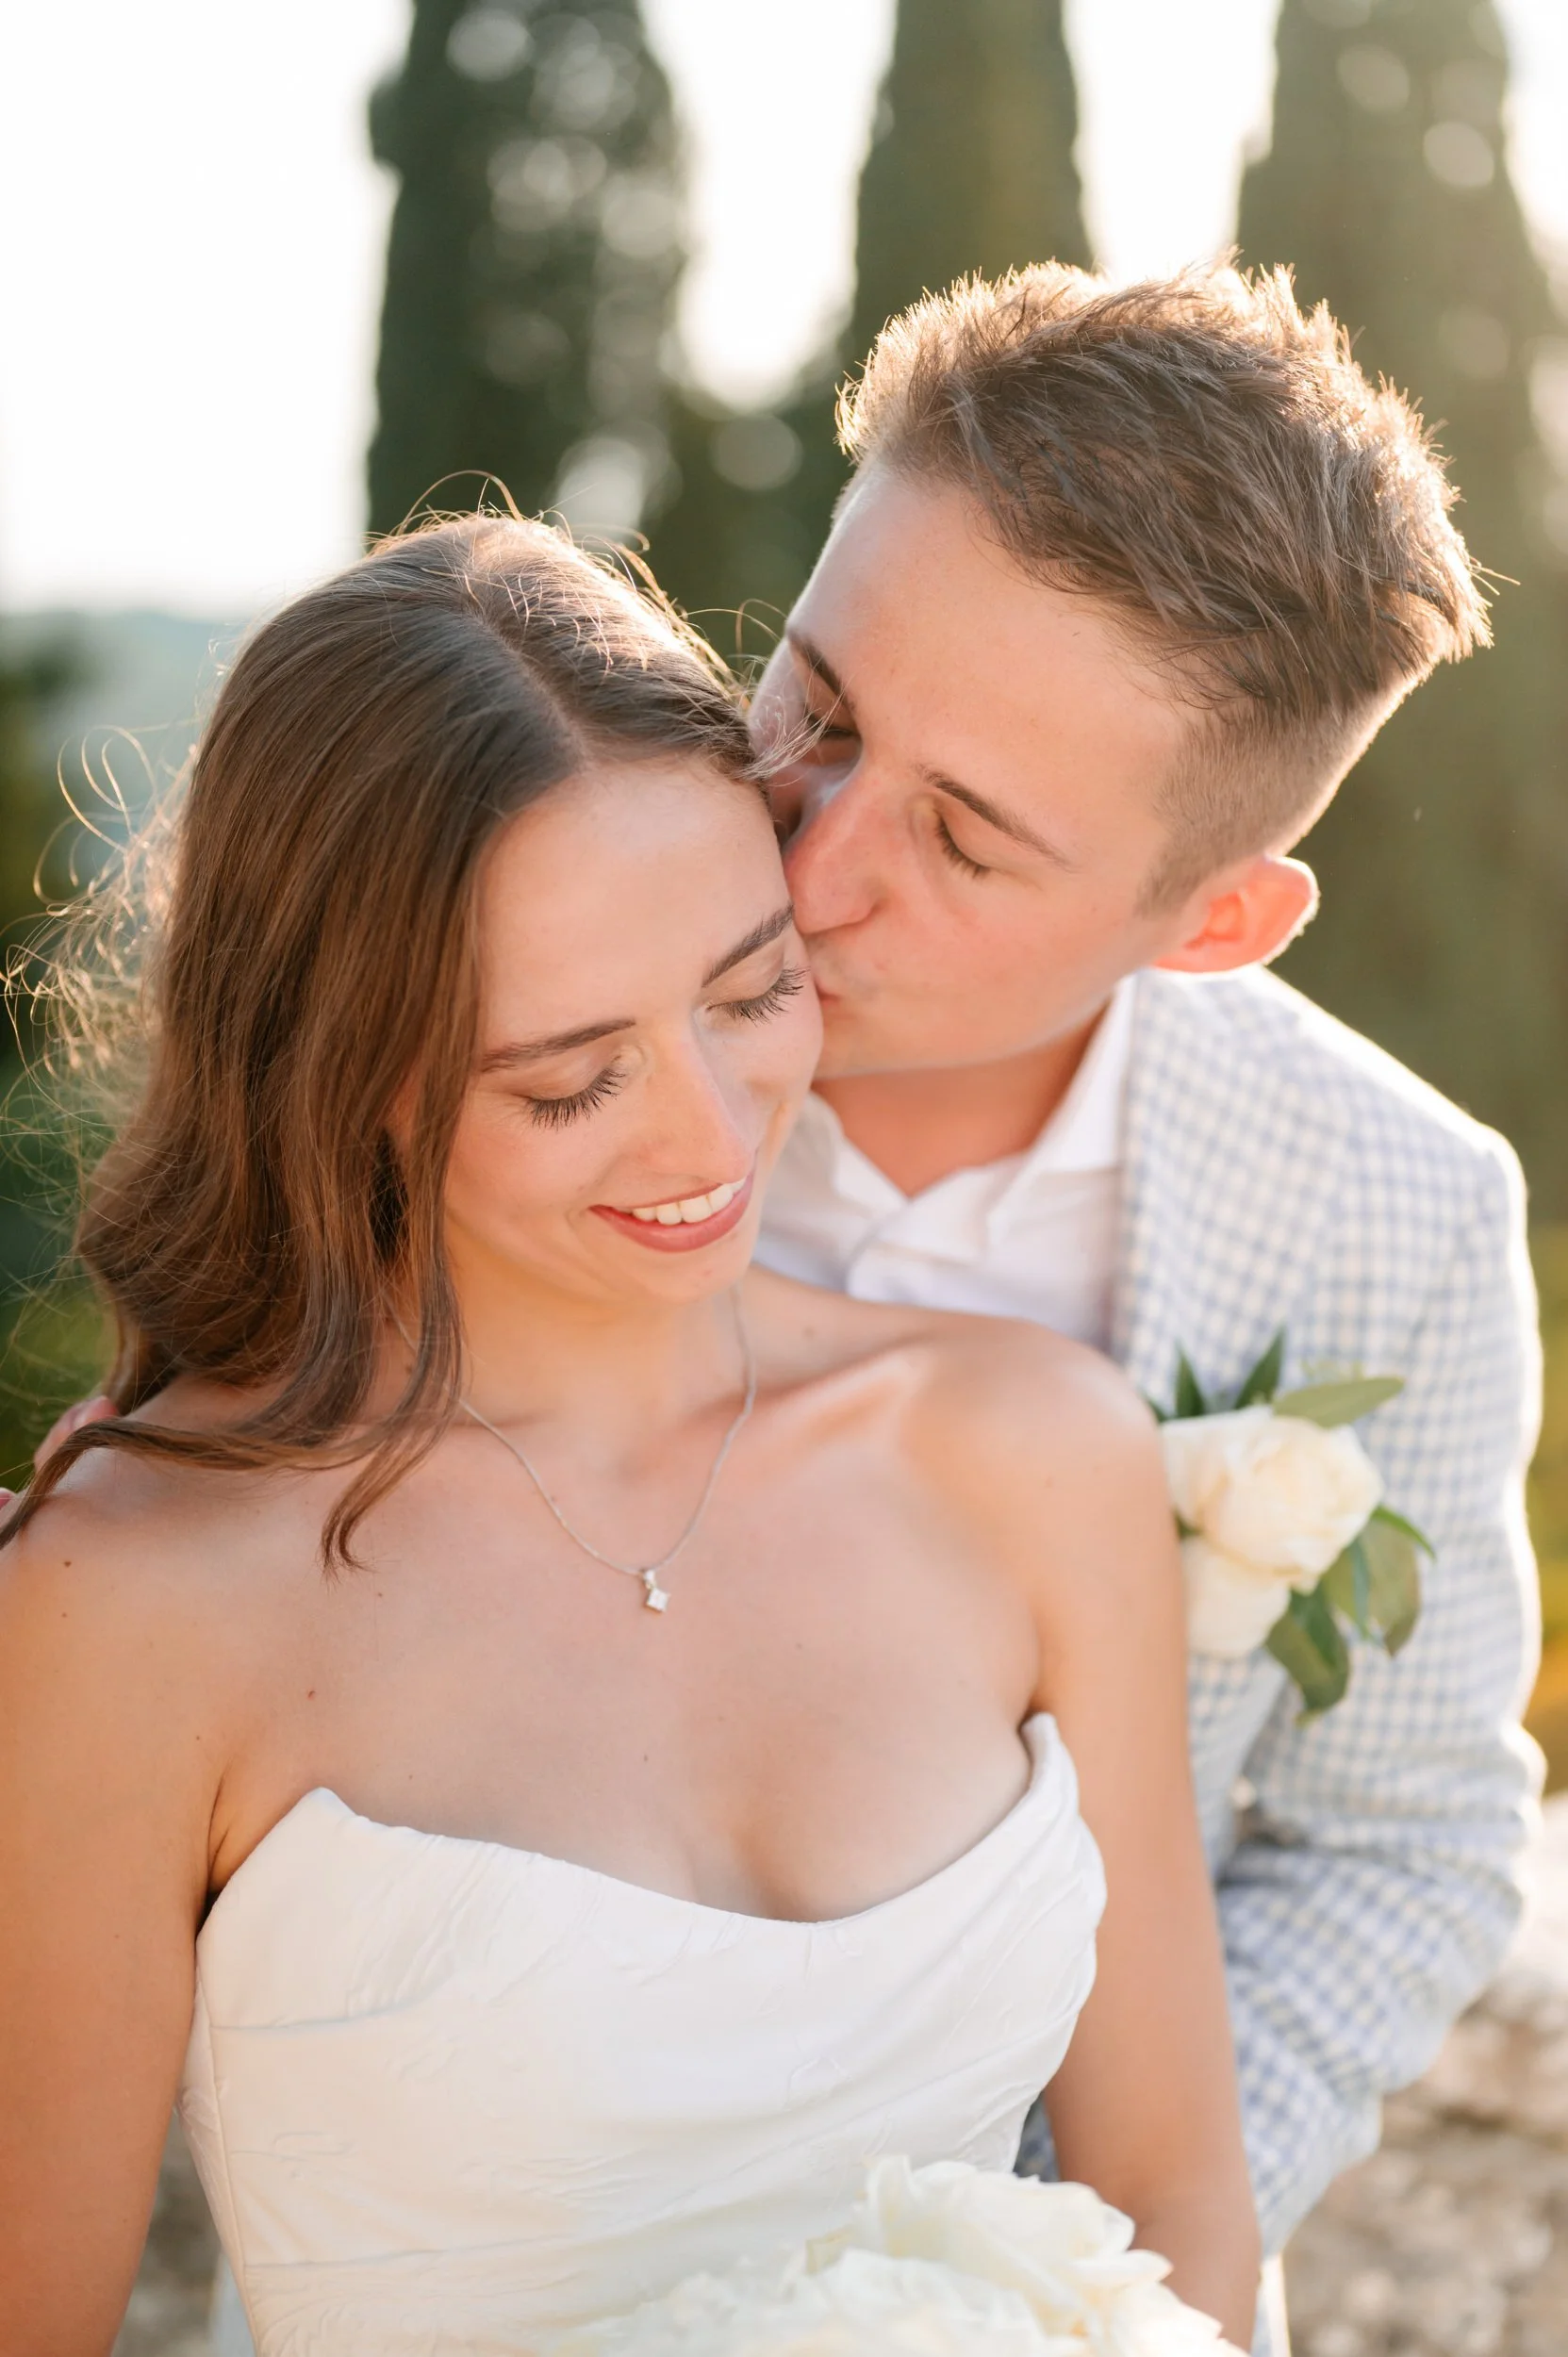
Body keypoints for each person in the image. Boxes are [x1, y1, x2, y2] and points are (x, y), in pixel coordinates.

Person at [0, 517, 1260, 2357]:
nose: (707, 1135)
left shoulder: (1033, 1451)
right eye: (571, 1075)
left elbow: (1181, 2206)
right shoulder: (132, 1603)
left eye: (754, 989)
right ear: (339, 1075)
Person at [750, 264, 1543, 2348]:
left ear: (1213, 921)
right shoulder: (490, 1029)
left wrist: (1068, 2272)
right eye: (814, 701)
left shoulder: (1398, 1212)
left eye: (966, 840)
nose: (809, 864)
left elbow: (1410, 1839)